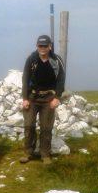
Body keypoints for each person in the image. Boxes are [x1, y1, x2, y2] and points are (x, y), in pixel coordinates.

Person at [20, 35, 65, 165]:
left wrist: (57, 97)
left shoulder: (56, 60)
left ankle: (45, 154)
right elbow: (25, 79)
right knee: (29, 126)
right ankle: (28, 152)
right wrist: (25, 98)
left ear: (50, 46)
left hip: (49, 98)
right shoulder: (31, 59)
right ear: (37, 46)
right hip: (32, 98)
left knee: (46, 128)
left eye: (45, 46)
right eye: (40, 46)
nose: (43, 48)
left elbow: (61, 80)